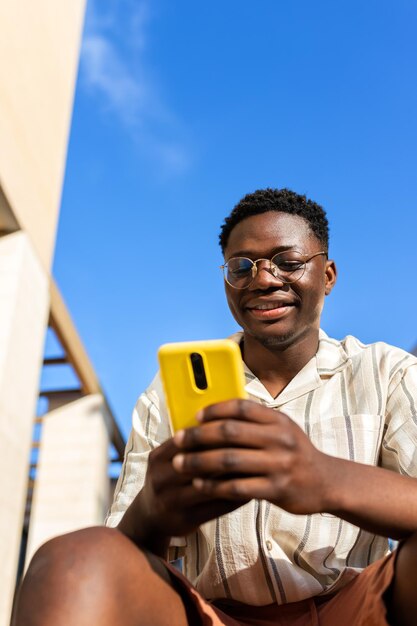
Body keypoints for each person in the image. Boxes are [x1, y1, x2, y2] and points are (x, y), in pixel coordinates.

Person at [13, 188, 417, 626]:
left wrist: (324, 478)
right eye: (242, 267)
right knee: (75, 557)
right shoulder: (169, 393)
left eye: (288, 262)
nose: (264, 279)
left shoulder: (386, 372)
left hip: (354, 610)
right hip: (212, 616)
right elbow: (122, 551)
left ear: (329, 275)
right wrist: (152, 509)